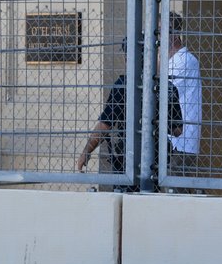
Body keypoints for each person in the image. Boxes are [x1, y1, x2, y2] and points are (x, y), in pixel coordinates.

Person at [76, 45, 184, 186]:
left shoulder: (123, 86)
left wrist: (86, 151)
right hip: (157, 160)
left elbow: (105, 125)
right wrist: (159, 119)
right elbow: (177, 131)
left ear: (129, 59)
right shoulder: (168, 88)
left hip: (128, 159)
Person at [166, 12, 202, 177]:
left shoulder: (185, 61)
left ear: (173, 34)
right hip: (168, 141)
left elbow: (160, 90)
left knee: (174, 193)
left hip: (181, 143)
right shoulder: (170, 61)